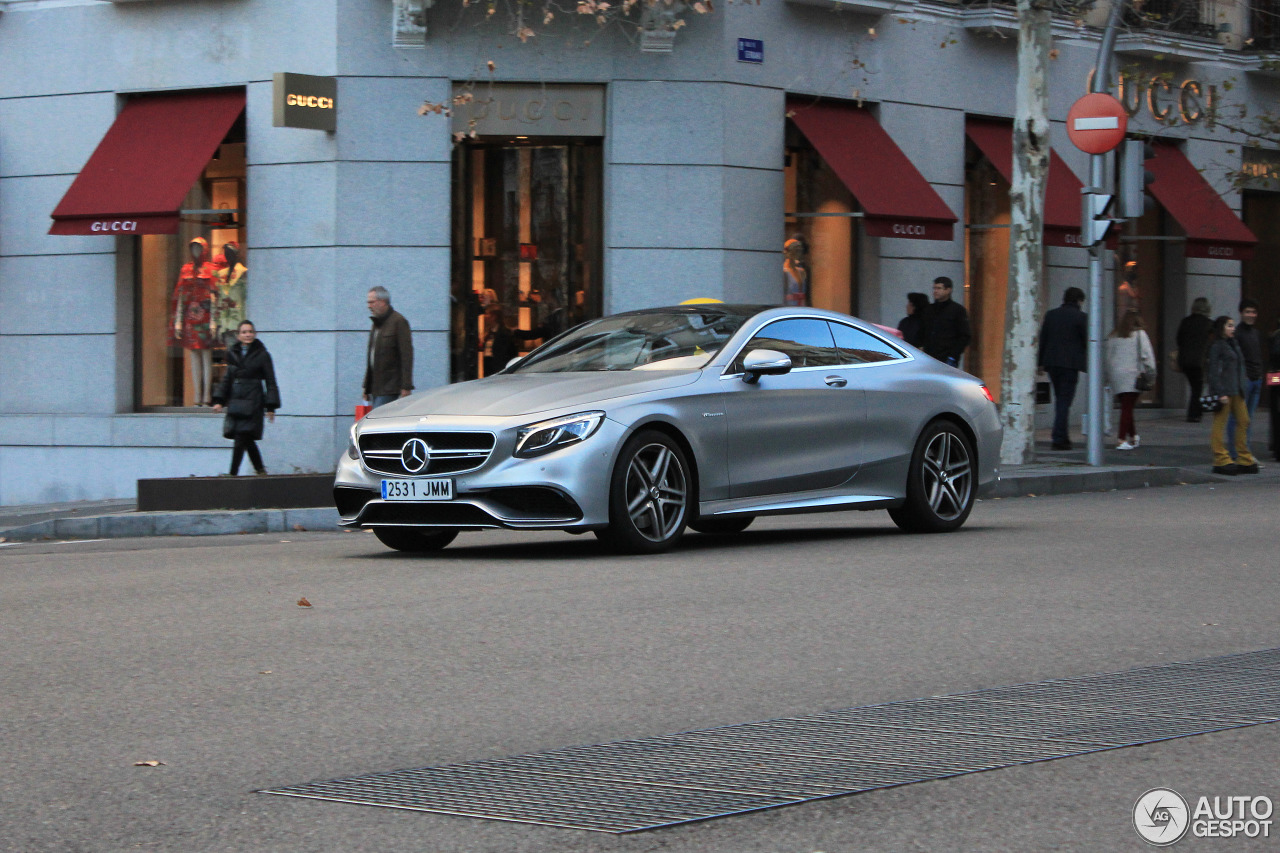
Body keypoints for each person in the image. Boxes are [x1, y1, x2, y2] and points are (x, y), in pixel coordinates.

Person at [212, 321, 280, 476]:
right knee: (246, 438)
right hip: (236, 401)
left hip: (254, 400)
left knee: (241, 436)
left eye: (250, 331)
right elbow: (227, 378)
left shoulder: (263, 354)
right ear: (238, 335)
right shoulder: (233, 353)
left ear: (255, 334)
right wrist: (219, 401)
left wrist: (271, 407)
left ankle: (233, 473)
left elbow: (271, 381)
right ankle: (260, 470)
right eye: (244, 332)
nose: (247, 334)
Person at [1205, 315, 1258, 475]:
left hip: (1237, 390)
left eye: (1233, 326)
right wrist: (1220, 392)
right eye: (1229, 326)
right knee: (1220, 424)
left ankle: (1243, 457)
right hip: (1225, 391)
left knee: (1244, 420)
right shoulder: (1217, 346)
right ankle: (1220, 458)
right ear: (1221, 328)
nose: (1232, 329)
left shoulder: (1233, 344)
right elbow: (1213, 371)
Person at [169, 237, 218, 406]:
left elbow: (214, 296)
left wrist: (213, 320)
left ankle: (207, 396)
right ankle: (197, 396)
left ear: (205, 249)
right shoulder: (186, 269)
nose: (196, 252)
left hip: (205, 316)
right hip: (190, 317)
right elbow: (180, 295)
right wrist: (178, 321)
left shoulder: (211, 269)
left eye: (199, 248)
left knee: (206, 356)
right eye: (193, 248)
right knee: (194, 357)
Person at [1037, 287, 1087, 451]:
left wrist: (1040, 363)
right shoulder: (1081, 317)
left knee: (1061, 399)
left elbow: (1043, 338)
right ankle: (1059, 438)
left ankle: (1062, 436)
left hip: (1052, 363)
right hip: (1070, 364)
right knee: (1064, 401)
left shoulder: (1051, 315)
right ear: (1079, 300)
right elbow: (1087, 342)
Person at [1104, 310, 1155, 451]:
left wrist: (1107, 377)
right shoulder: (1140, 335)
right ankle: (1121, 439)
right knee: (1127, 407)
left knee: (1127, 406)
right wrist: (1151, 374)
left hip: (1117, 376)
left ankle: (1133, 436)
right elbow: (1148, 357)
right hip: (1133, 376)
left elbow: (1107, 359)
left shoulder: (1113, 336)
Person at [363, 286, 414, 409]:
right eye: (368, 302)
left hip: (391, 387)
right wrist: (366, 387)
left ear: (382, 302)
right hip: (376, 387)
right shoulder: (376, 324)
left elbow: (407, 355)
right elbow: (371, 359)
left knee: (377, 423)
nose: (369, 306)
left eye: (372, 302)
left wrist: (406, 386)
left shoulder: (399, 322)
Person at [1225, 298, 1264, 458]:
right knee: (1237, 417)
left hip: (1256, 379)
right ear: (1241, 313)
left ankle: (1244, 451)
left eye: (1253, 312)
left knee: (1248, 419)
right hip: (1244, 380)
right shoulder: (1237, 333)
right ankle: (1237, 452)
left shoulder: (1255, 333)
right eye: (1248, 311)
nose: (1251, 315)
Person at [1175, 297, 1213, 422]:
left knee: (1194, 386)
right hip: (1199, 360)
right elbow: (1211, 343)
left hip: (1185, 360)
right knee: (1198, 387)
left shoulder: (1185, 321)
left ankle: (1195, 412)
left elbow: (1179, 340)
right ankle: (1194, 413)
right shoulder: (1209, 324)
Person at [922, 276, 971, 367]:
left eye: (939, 288)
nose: (935, 291)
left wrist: (953, 355)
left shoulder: (957, 310)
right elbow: (923, 331)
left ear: (948, 290)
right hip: (929, 357)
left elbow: (965, 336)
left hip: (947, 358)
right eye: (934, 288)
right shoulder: (929, 309)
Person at [783, 237, 808, 307]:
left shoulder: (801, 271)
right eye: (796, 250)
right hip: (789, 307)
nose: (799, 253)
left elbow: (805, 295)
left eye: (800, 250)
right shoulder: (784, 272)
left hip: (802, 308)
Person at [1269, 321, 1280, 462]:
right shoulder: (1276, 336)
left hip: (1274, 376)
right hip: (1276, 376)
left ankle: (1276, 446)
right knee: (1277, 412)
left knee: (1276, 412)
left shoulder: (1274, 335)